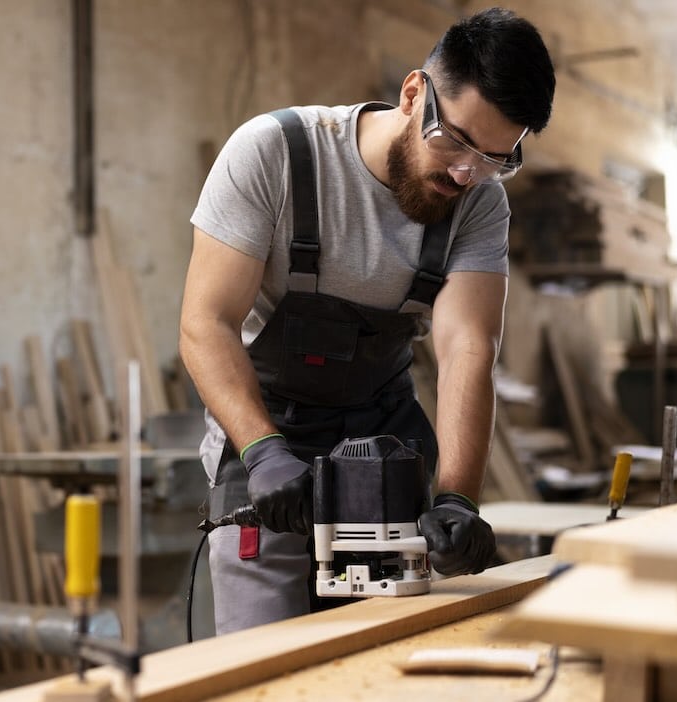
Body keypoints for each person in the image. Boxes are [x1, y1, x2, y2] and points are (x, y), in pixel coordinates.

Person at [179, 7, 556, 635]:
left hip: (383, 448)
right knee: (260, 653)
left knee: (386, 648)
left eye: (495, 158)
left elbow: (468, 348)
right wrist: (264, 450)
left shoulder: (478, 203)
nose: (466, 173)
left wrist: (458, 498)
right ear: (414, 94)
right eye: (456, 141)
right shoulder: (277, 154)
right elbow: (206, 323)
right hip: (266, 439)